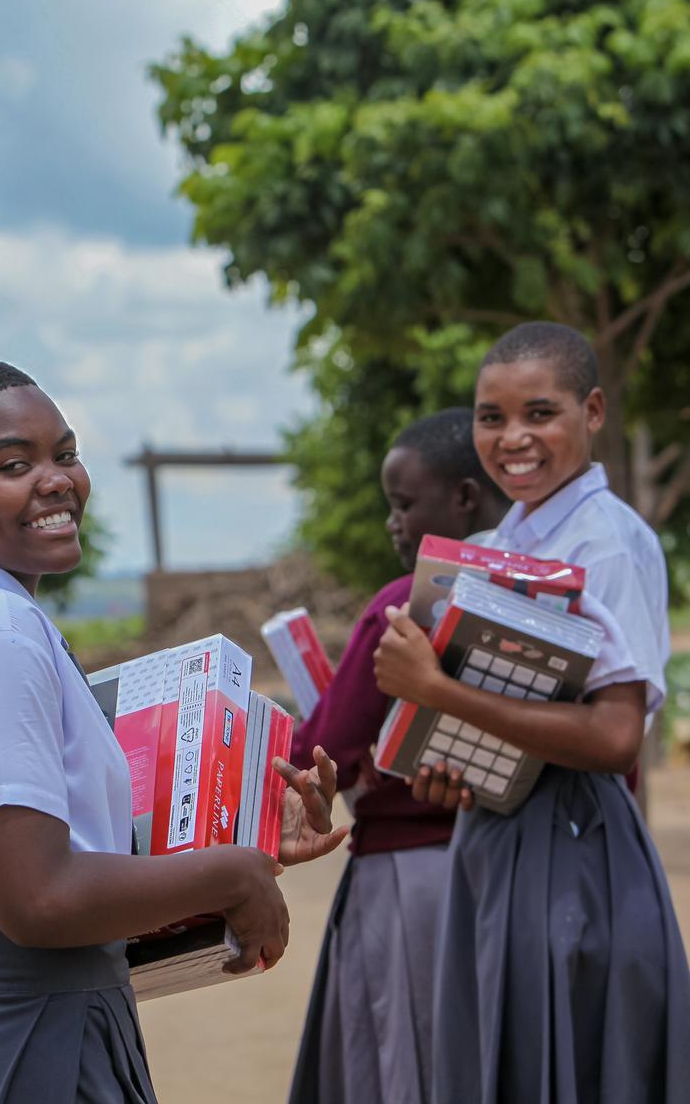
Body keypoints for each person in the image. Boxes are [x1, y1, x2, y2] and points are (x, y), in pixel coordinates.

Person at [0, 359, 349, 1104]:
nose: (56, 480)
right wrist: (231, 875)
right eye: (14, 464)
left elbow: (57, 852)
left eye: (66, 454)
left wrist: (247, 842)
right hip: (18, 1045)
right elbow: (38, 897)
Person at [375, 322, 690, 1103]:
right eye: (492, 416)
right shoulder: (502, 538)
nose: (513, 438)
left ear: (592, 411)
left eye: (540, 413)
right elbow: (512, 706)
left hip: (575, 847)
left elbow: (617, 733)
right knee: (503, 1065)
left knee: (572, 1066)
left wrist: (437, 692)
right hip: (498, 832)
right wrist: (454, 762)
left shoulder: (606, 542)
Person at [288, 407, 508, 1104]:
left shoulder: (401, 604)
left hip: (409, 877)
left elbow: (326, 743)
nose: (393, 523)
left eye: (403, 504)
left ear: (464, 498)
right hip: (506, 872)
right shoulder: (533, 594)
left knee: (410, 1057)